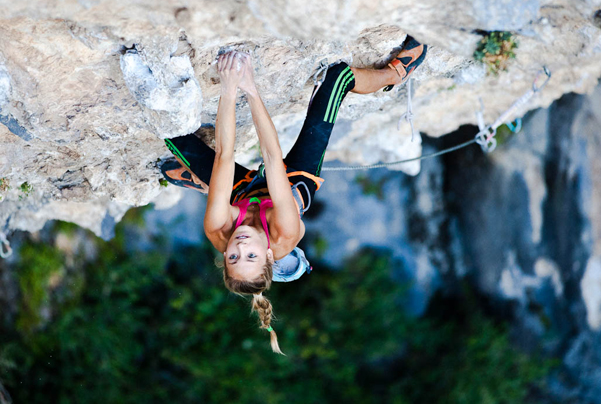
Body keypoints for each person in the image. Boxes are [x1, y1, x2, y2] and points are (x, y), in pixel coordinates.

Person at [161, 36, 428, 353]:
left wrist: (228, 88)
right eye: (251, 256)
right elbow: (273, 159)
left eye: (233, 257)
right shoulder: (285, 233)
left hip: (241, 193)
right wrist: (249, 87)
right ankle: (396, 73)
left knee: (171, 134)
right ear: (270, 255)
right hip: (290, 184)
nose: (241, 246)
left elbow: (224, 155)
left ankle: (206, 184)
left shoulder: (218, 229)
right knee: (336, 79)